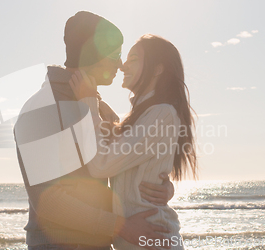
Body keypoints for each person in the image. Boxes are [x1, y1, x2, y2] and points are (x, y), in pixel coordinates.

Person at [14, 12, 176, 250]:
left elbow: (121, 164)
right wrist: (121, 226)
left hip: (101, 242)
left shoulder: (102, 110)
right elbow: (47, 201)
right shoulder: (40, 107)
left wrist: (161, 186)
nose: (121, 65)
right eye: (116, 54)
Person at [70, 34, 199, 249]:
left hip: (153, 240)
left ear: (157, 69)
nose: (123, 67)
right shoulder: (148, 114)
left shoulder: (162, 114)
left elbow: (101, 164)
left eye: (133, 60)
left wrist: (88, 104)